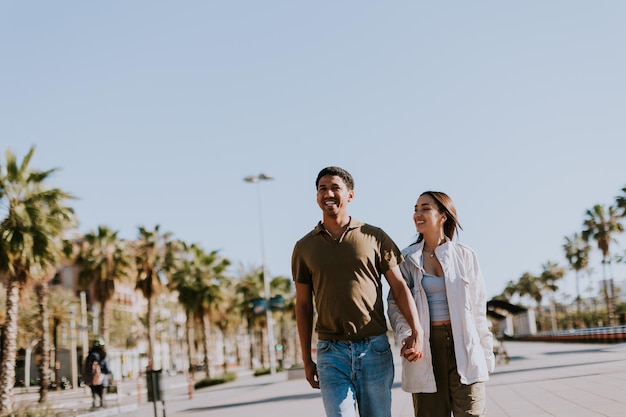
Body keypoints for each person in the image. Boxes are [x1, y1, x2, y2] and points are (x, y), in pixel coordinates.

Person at [292, 166, 424, 417]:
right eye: (322, 189)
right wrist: (306, 359)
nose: (328, 193)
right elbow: (303, 305)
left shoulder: (374, 236)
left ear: (350, 195)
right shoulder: (304, 247)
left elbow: (399, 287)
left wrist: (416, 331)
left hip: (374, 348)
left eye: (334, 188)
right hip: (331, 352)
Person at [387, 191, 495, 417]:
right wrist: (407, 335)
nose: (417, 214)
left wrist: (485, 355)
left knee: (472, 412)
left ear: (442, 216)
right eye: (415, 209)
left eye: (424, 208)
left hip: (464, 345)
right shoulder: (406, 259)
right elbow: (396, 305)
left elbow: (478, 309)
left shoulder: (465, 256)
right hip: (426, 346)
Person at [83, 338, 112, 408]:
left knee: (94, 398)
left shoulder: (90, 355)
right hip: (103, 379)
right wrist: (111, 375)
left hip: (92, 379)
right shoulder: (103, 355)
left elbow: (86, 367)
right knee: (103, 398)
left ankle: (93, 411)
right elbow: (107, 368)